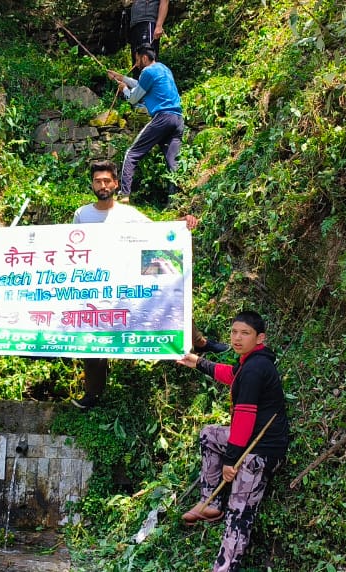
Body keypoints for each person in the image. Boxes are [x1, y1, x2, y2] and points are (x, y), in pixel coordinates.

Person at [70, 159, 198, 409]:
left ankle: (198, 340)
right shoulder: (82, 215)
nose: (103, 185)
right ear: (92, 185)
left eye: (107, 180)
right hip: (95, 286)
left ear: (116, 183)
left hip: (126, 283)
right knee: (93, 338)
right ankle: (93, 394)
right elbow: (74, 247)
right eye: (98, 181)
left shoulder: (128, 214)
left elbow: (157, 233)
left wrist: (180, 224)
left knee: (170, 288)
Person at [175, 311, 290, 572]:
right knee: (209, 434)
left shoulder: (256, 368)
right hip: (249, 440)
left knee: (239, 516)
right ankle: (211, 503)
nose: (237, 338)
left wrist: (230, 460)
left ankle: (224, 568)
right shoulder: (249, 362)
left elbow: (245, 418)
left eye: (245, 333)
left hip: (260, 451)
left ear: (260, 338)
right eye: (234, 332)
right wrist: (197, 362)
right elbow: (231, 375)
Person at [106, 46, 183, 202]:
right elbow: (142, 85)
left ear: (144, 58)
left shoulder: (147, 72)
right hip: (178, 119)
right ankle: (176, 201)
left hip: (163, 117)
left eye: (137, 59)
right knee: (172, 161)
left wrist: (125, 90)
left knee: (131, 153)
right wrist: (122, 77)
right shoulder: (163, 68)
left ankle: (124, 194)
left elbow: (134, 98)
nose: (136, 63)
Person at [126, 0, 169, 76]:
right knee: (137, 62)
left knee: (146, 59)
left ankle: (150, 86)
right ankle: (139, 86)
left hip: (148, 21)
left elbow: (164, 1)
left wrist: (159, 25)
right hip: (135, 24)